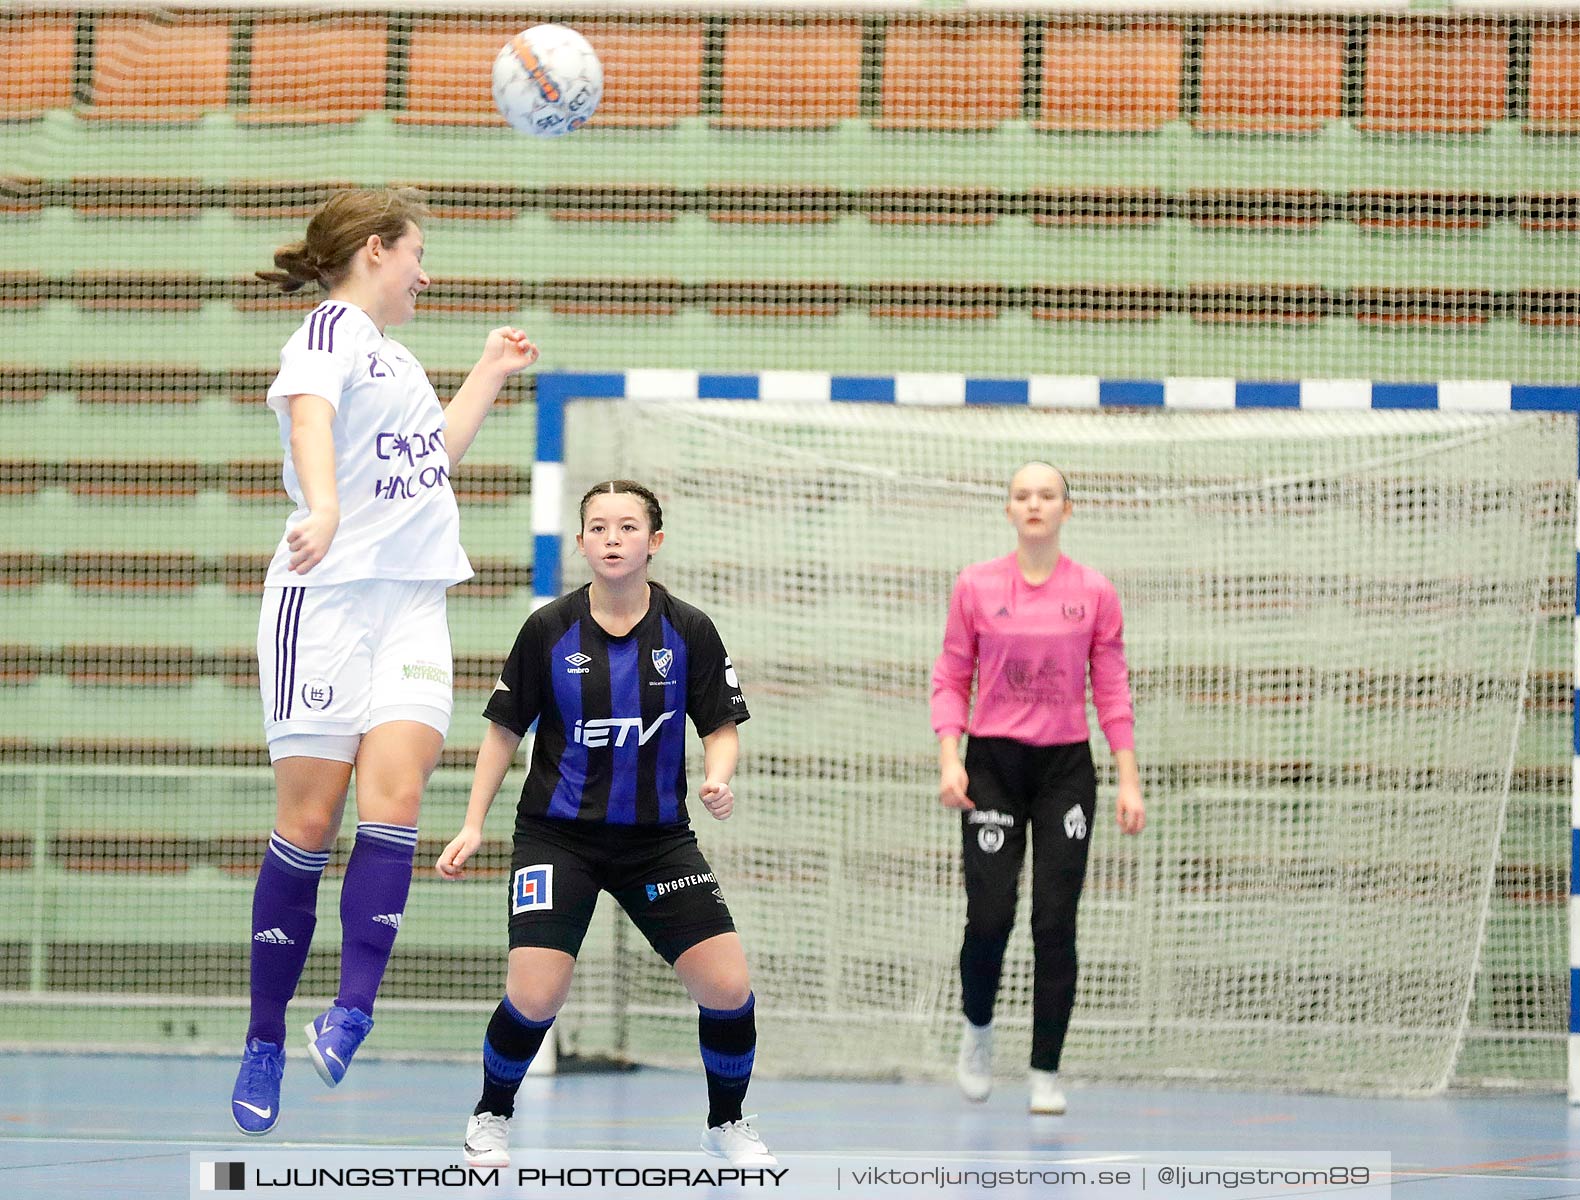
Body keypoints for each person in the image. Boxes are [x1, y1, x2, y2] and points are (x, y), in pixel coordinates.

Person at [230, 187, 538, 1136]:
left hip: (411, 601)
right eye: (417, 254)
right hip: (323, 604)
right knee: (312, 821)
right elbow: (310, 418)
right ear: (375, 250)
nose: (426, 272)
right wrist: (320, 507)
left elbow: (428, 460)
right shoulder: (324, 330)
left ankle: (353, 1007)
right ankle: (263, 1039)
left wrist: (487, 371)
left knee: (395, 803)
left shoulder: (397, 359)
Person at [436, 480, 775, 1169]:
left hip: (658, 843)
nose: (612, 538)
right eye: (598, 527)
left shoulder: (690, 631)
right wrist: (473, 822)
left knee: (728, 988)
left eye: (627, 527)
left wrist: (718, 774)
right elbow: (504, 732)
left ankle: (727, 1122)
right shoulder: (547, 630)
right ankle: (492, 1113)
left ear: (653, 542)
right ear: (584, 542)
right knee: (534, 995)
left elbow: (720, 724)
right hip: (558, 838)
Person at [931, 461, 1145, 1116]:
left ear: (1066, 510)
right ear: (1008, 509)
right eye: (1021, 494)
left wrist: (1128, 777)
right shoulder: (976, 586)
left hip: (1064, 771)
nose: (1034, 504)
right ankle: (977, 1033)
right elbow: (950, 675)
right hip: (992, 764)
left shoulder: (1094, 592)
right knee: (990, 914)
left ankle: (1046, 1069)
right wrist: (950, 758)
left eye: (1047, 495)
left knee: (1055, 920)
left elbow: (1110, 685)